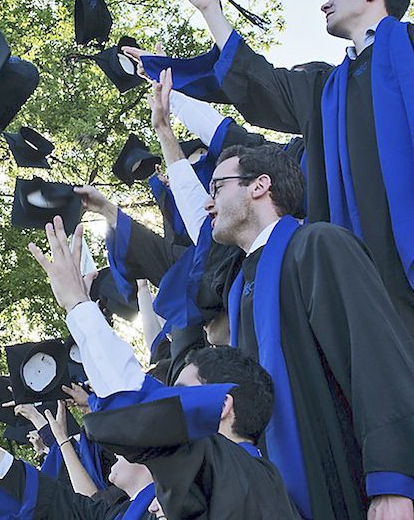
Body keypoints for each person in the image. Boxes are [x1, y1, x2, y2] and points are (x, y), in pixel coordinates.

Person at [152, 0, 414, 463]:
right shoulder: (327, 90)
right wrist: (212, 11)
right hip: (375, 277)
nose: (325, 2)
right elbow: (263, 83)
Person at [201, 143, 414, 519]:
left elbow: (378, 358)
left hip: (354, 478)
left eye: (217, 187)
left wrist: (395, 478)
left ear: (259, 186)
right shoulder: (241, 289)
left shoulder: (317, 245)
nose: (208, 203)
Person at [23, 216, 301, 519]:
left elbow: (135, 404)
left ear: (222, 406)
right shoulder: (243, 479)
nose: (164, 402)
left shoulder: (226, 471)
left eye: (178, 394)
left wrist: (77, 305)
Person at [0, 421, 156, 519]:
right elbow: (59, 502)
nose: (116, 451)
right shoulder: (112, 513)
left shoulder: (171, 502)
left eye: (127, 447)